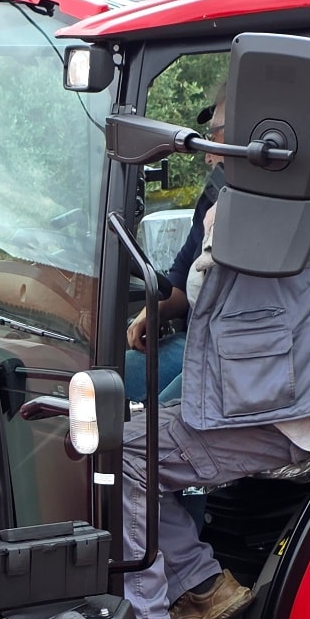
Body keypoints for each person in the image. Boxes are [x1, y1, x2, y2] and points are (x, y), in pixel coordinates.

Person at [124, 169, 310, 619]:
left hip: (290, 406)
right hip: (282, 392)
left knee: (122, 449)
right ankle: (201, 586)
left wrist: (220, 219)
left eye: (222, 130)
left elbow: (200, 286)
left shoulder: (290, 195)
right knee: (134, 423)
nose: (214, 146)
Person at [122, 88, 226, 405]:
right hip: (195, 346)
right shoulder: (213, 200)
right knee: (100, 380)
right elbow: (181, 279)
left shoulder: (299, 214)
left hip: (233, 365)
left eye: (215, 137)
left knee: (146, 424)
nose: (207, 155)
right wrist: (151, 313)